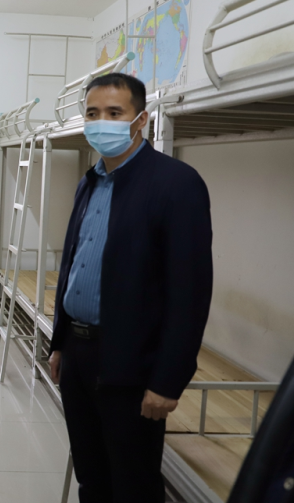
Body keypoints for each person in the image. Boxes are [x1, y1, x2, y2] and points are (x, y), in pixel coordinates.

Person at [47, 73, 213, 503]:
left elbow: (190, 293)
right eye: (92, 113)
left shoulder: (176, 184)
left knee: (133, 482)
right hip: (78, 355)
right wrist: (60, 344)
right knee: (91, 475)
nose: (101, 122)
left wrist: (168, 381)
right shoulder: (90, 181)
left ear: (141, 120)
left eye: (114, 113)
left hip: (131, 360)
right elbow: (73, 264)